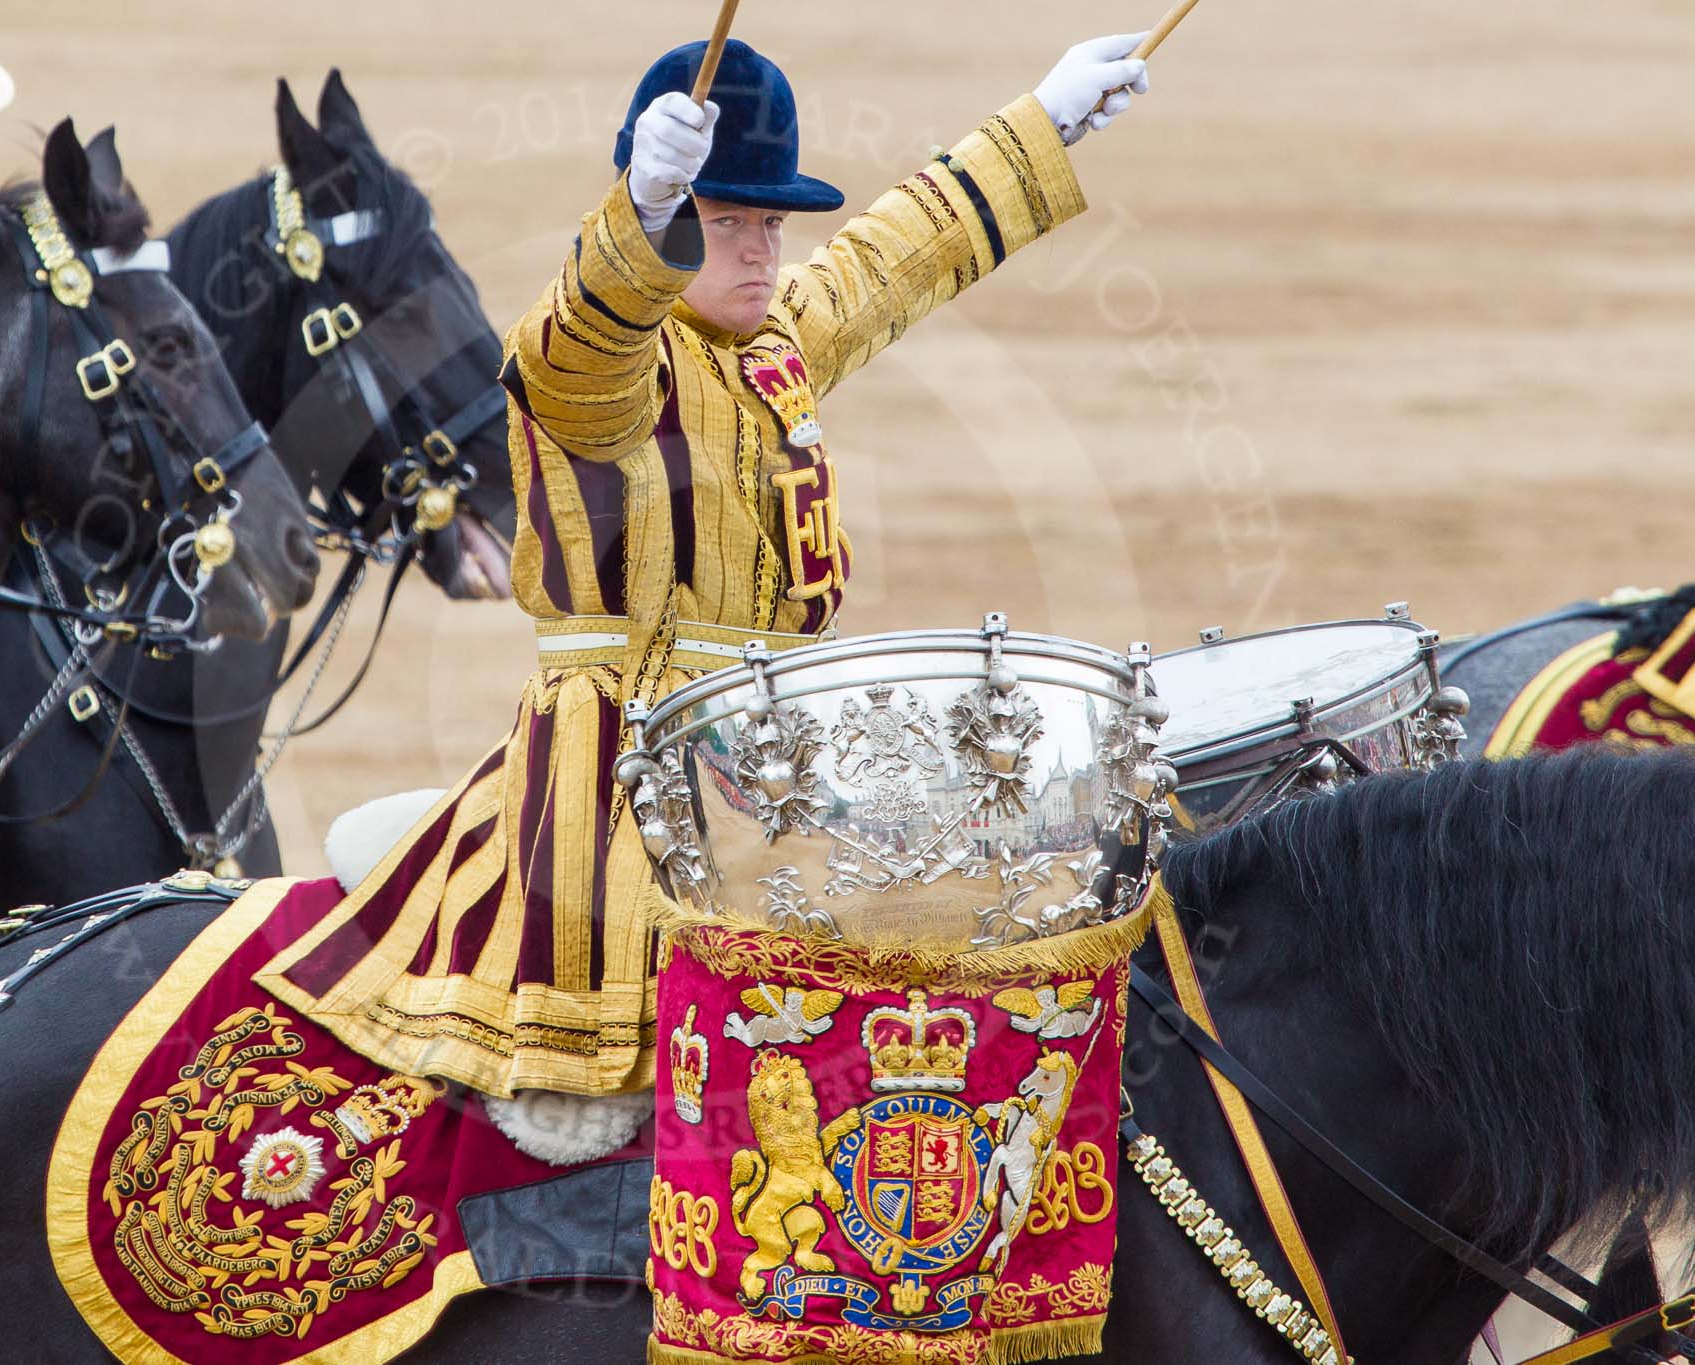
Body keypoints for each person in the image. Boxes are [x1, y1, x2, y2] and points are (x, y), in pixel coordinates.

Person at [262, 34, 1152, 1102]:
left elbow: (888, 262)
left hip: (779, 758)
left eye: (771, 224)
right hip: (622, 767)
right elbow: (589, 341)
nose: (760, 253)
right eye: (726, 222)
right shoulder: (591, 354)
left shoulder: (771, 341)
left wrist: (1041, 122)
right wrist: (641, 215)